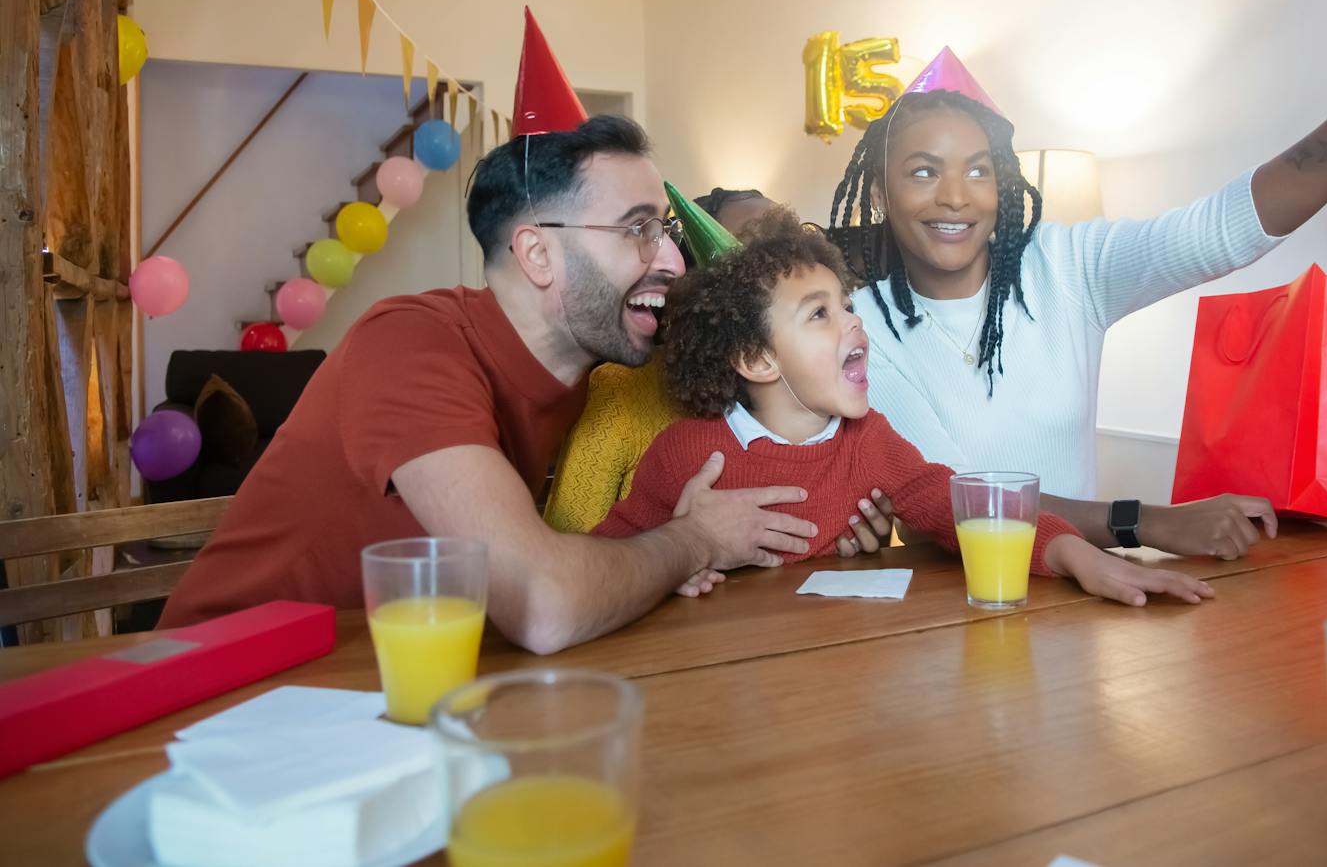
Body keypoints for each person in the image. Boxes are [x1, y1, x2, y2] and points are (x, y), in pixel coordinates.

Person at [828, 0, 1327, 559]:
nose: (955, 197)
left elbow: (1221, 229)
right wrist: (1148, 523)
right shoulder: (861, 337)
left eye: (978, 169)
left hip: (1086, 602)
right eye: (922, 172)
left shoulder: (1066, 267)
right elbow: (957, 501)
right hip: (951, 612)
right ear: (880, 194)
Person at [160, 117, 827, 653]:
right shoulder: (409, 341)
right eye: (638, 231)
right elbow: (543, 604)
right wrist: (693, 542)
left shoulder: (594, 376)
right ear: (538, 254)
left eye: (668, 231)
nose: (674, 261)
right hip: (221, 693)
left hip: (408, 678)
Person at [592, 209, 1214, 607]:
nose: (854, 325)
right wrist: (670, 559)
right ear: (757, 359)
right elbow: (605, 561)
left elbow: (952, 503)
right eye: (819, 314)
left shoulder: (869, 442)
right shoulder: (687, 456)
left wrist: (1079, 555)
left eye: (848, 305)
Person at [545, 187, 899, 556]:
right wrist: (681, 546)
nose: (781, 265)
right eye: (752, 252)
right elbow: (571, 562)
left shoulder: (841, 415)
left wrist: (862, 530)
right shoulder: (626, 398)